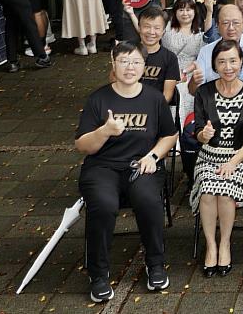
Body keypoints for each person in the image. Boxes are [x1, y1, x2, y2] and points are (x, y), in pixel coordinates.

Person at [75, 41, 177, 302]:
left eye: (135, 62)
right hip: (102, 167)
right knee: (103, 204)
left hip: (140, 165)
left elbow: (170, 135)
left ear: (144, 66)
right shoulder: (98, 98)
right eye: (123, 61)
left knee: (148, 200)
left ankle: (155, 263)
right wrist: (105, 131)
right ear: (113, 65)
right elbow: (83, 145)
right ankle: (98, 274)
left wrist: (153, 155)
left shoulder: (154, 99)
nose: (129, 67)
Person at [191, 40, 243, 278]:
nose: (228, 66)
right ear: (214, 64)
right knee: (207, 189)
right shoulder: (204, 92)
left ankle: (224, 243)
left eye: (233, 61)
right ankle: (210, 246)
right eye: (222, 61)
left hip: (241, 156)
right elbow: (197, 132)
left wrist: (233, 161)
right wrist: (203, 135)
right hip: (209, 155)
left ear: (241, 62)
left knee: (224, 190)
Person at [189, 4, 243, 97]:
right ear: (217, 25)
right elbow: (194, 92)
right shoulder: (206, 51)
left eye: (236, 23)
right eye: (225, 23)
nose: (231, 28)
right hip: (212, 106)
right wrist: (194, 82)